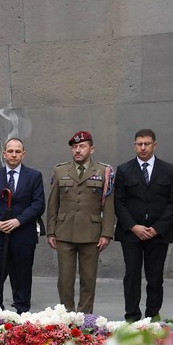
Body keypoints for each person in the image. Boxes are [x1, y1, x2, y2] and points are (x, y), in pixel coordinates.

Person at [114, 129, 173, 322]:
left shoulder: (168, 170)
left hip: (158, 234)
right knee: (131, 276)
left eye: (147, 144)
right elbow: (118, 202)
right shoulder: (124, 170)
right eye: (139, 144)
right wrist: (133, 226)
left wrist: (157, 228)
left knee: (155, 277)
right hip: (131, 233)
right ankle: (132, 317)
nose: (143, 147)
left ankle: (153, 316)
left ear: (155, 145)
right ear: (134, 145)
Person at [46, 131, 116, 313]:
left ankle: (85, 317)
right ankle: (67, 315)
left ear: (91, 149)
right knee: (64, 280)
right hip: (64, 232)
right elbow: (53, 203)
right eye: (75, 147)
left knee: (88, 279)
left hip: (91, 233)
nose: (78, 150)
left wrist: (106, 234)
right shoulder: (60, 171)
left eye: (82, 146)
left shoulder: (103, 171)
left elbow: (109, 206)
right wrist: (51, 231)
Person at [0, 139, 45, 314]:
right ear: (4, 154)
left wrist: (18, 221)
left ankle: (22, 313)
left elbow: (38, 204)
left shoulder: (34, 176)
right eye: (10, 151)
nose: (14, 154)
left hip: (23, 235)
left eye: (17, 151)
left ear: (23, 154)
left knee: (22, 277)